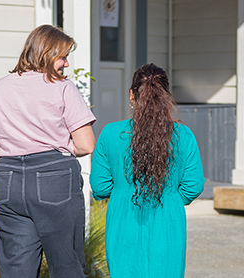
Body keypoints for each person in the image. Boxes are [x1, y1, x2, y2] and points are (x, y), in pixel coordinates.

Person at [0, 25, 95, 278]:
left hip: (9, 181)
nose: (66, 64)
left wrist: (17, 151)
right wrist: (54, 147)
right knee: (66, 267)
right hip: (55, 179)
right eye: (63, 56)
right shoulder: (62, 87)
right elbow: (85, 145)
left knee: (16, 270)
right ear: (47, 53)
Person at [90, 63, 204, 277]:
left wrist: (123, 190)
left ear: (131, 95)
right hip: (168, 216)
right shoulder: (184, 135)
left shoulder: (110, 133)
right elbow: (194, 185)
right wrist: (170, 197)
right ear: (167, 96)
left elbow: (100, 186)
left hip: (123, 217)